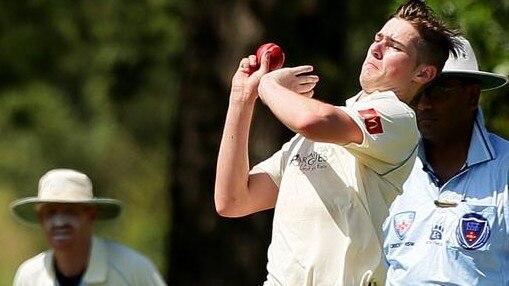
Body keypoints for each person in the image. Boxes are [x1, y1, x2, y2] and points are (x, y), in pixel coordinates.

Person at [214, 0, 459, 284]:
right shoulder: (322, 128)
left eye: (394, 46)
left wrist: (268, 85)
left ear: (423, 74)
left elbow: (311, 121)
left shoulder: (397, 117)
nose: (376, 48)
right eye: (378, 38)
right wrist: (242, 98)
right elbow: (232, 200)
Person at [383, 36, 509, 285]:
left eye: (439, 90)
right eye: (418, 92)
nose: (424, 105)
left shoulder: (505, 168)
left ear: (472, 96)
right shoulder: (390, 166)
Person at [10, 168, 167, 286]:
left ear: (91, 215)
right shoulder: (29, 276)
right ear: (41, 219)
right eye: (51, 213)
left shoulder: (132, 269)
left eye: (70, 212)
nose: (59, 223)